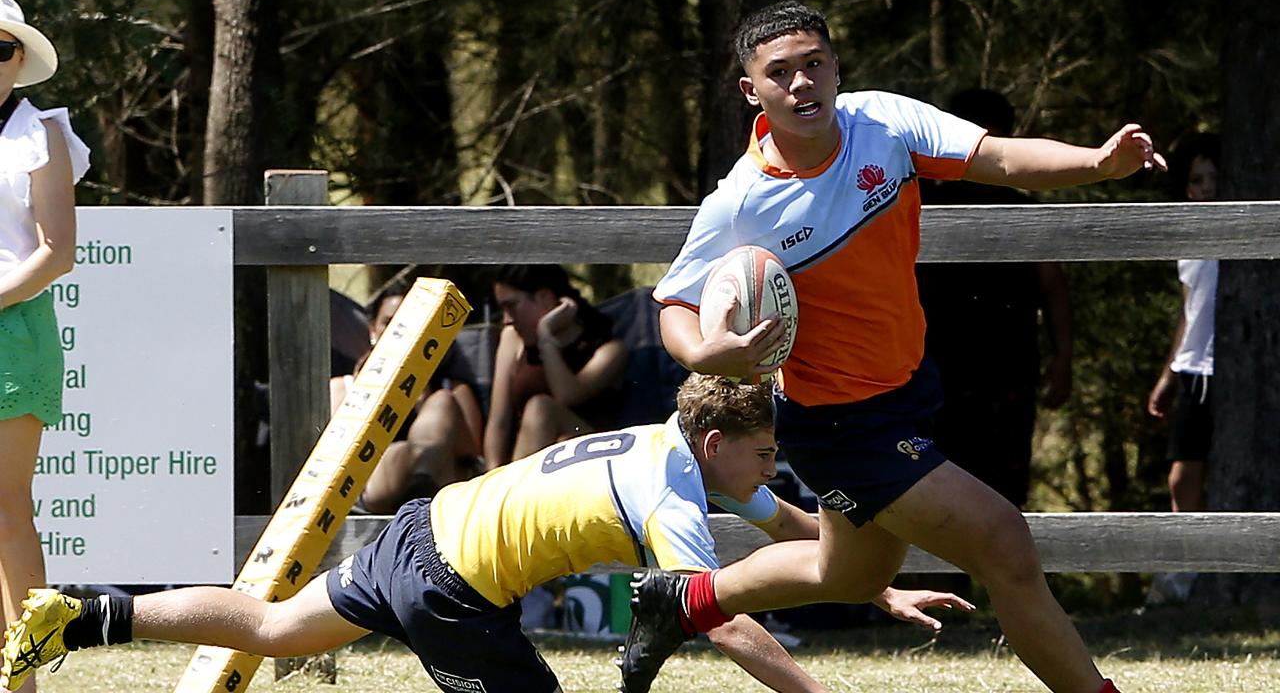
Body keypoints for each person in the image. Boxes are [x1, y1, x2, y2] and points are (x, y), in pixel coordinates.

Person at [636, 0, 1165, 693]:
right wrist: (709, 357)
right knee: (1003, 541)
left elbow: (999, 158)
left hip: (907, 386)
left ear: (835, 66)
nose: (802, 84)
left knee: (850, 573)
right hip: (838, 421)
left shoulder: (881, 123)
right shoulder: (741, 204)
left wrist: (1098, 162)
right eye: (781, 72)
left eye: (814, 65)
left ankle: (680, 600)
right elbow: (674, 304)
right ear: (751, 90)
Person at [0, 374, 972, 693]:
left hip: (422, 532)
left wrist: (874, 586)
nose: (771, 472)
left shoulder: (666, 442)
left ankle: (78, 617)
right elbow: (718, 619)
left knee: (269, 627)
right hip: (452, 590)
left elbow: (789, 527)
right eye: (762, 454)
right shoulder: (673, 490)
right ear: (718, 442)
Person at [916, 88, 1073, 509]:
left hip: (1006, 372)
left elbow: (1053, 284)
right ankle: (939, 579)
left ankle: (999, 576)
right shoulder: (917, 206)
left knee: (1002, 496)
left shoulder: (1024, 209)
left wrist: (1063, 357)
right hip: (933, 373)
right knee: (934, 494)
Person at [0, 0, 90, 693]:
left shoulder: (43, 133)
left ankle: (21, 679)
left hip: (14, 330)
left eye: (1, 49)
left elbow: (57, 253)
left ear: (21, 60)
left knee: (7, 509)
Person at [330, 280, 485, 513]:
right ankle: (419, 481)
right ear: (373, 329)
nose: (399, 334)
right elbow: (333, 460)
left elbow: (471, 457)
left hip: (443, 489)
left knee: (442, 402)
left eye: (409, 325)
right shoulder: (343, 388)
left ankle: (422, 481)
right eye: (389, 323)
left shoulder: (452, 390)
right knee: (404, 452)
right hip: (372, 484)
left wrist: (422, 401)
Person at [1144, 132, 1218, 603]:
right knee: (1181, 479)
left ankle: (1189, 580)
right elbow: (1189, 309)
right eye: (1197, 179)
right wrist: (1169, 373)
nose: (1207, 188)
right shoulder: (1190, 240)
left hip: (1221, 369)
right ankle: (1180, 580)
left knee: (1203, 475)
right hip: (1194, 369)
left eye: (1216, 178)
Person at [484, 264, 628, 469]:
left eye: (512, 306)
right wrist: (491, 476)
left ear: (545, 298)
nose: (507, 320)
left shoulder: (609, 351)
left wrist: (545, 338)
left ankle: (514, 494)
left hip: (589, 456)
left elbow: (567, 395)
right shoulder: (512, 339)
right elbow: (499, 421)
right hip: (526, 456)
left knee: (542, 408)